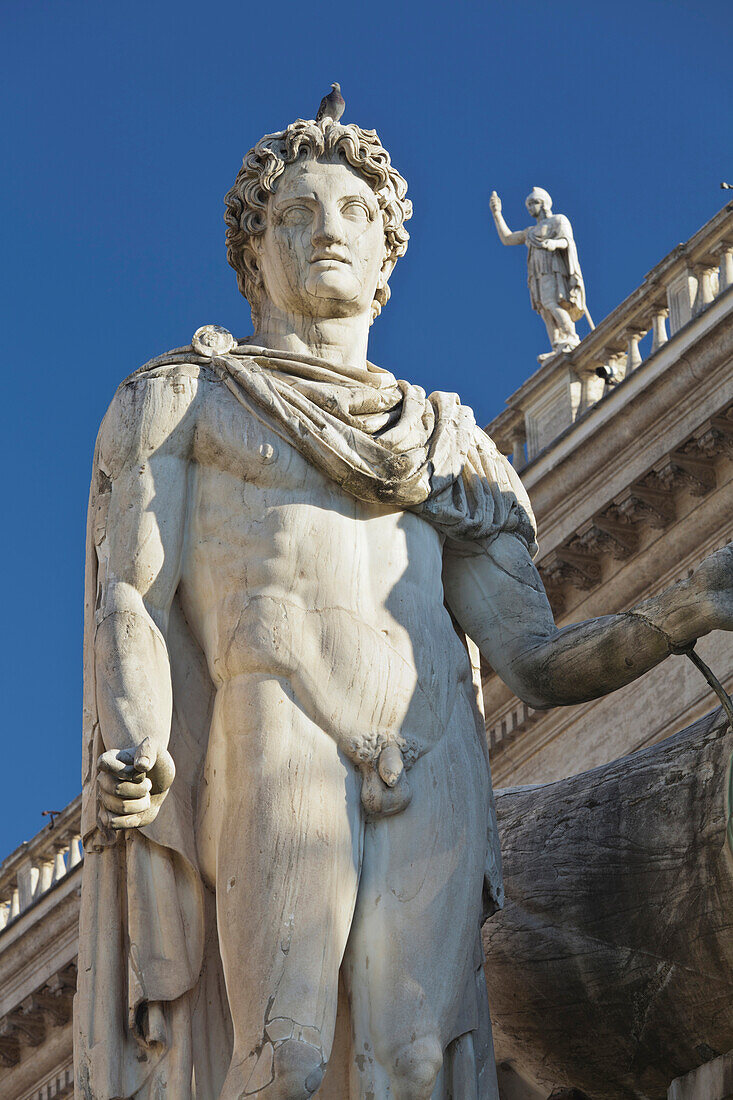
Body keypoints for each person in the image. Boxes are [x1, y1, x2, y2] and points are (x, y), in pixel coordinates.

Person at [75, 116, 733, 1100]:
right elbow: (132, 590)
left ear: (389, 251)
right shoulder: (181, 400)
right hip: (279, 710)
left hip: (431, 740)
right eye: (295, 213)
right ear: (254, 255)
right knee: (287, 1052)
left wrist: (680, 610)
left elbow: (536, 660)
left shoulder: (452, 445)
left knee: (413, 1064)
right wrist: (134, 739)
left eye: (354, 212)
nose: (327, 229)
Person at [490, 186, 588, 355]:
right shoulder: (530, 231)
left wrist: (553, 243)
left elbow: (567, 241)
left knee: (551, 302)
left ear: (543, 203)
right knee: (544, 308)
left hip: (553, 268)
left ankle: (571, 335)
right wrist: (497, 213)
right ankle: (557, 344)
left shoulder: (558, 220)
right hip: (536, 272)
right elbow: (507, 238)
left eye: (532, 203)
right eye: (527, 205)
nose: (529, 208)